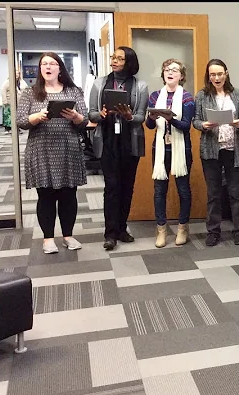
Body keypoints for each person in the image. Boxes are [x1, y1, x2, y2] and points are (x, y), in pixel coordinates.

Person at [16, 52, 88, 254]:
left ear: (60, 68)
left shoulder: (74, 91)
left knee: (68, 195)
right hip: (41, 149)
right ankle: (48, 238)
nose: (48, 67)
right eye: (44, 64)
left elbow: (84, 123)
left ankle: (68, 235)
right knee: (46, 195)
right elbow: (20, 121)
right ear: (40, 69)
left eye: (52, 64)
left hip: (68, 149)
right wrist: (37, 116)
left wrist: (74, 116)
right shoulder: (30, 93)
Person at [88, 46, 149, 251]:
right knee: (112, 186)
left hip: (129, 141)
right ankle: (110, 233)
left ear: (129, 62)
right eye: (113, 58)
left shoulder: (140, 86)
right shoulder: (99, 83)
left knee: (127, 186)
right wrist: (102, 114)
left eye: (120, 59)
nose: (114, 61)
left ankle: (122, 228)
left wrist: (130, 116)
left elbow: (141, 117)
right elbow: (91, 114)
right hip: (107, 140)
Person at [193, 58, 239, 246]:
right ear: (208, 76)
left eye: (219, 73)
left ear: (226, 73)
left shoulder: (238, 94)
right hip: (211, 150)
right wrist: (204, 125)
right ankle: (213, 231)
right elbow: (196, 120)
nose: (216, 78)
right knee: (213, 193)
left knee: (235, 192)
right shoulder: (202, 96)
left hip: (233, 149)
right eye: (212, 74)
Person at [146, 58, 196, 248]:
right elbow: (150, 125)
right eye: (167, 69)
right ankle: (161, 229)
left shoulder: (187, 98)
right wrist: (152, 117)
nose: (170, 72)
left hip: (181, 148)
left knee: (183, 189)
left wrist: (170, 118)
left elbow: (185, 126)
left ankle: (183, 227)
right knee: (159, 190)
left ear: (181, 76)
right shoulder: (154, 96)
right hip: (160, 149)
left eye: (175, 70)